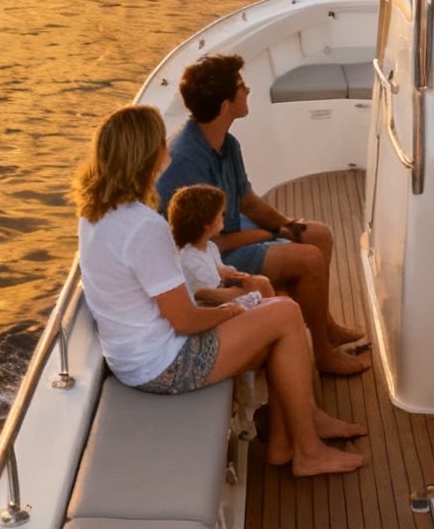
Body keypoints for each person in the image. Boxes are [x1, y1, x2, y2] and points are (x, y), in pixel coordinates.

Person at [74, 105, 365, 476]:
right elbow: (184, 320)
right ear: (148, 156)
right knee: (285, 312)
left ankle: (286, 438)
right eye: (160, 142)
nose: (167, 149)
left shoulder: (93, 213)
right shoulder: (145, 227)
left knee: (277, 312)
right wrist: (233, 311)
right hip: (164, 365)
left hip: (132, 357)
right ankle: (308, 450)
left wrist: (244, 310)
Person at [155, 53, 369, 375]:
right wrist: (271, 234)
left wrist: (285, 225)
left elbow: (248, 201)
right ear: (226, 103)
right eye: (242, 86)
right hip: (209, 254)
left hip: (228, 233)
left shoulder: (227, 143)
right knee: (308, 259)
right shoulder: (187, 160)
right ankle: (323, 354)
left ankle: (326, 327)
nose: (249, 90)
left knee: (318, 234)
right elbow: (212, 243)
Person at [168, 184, 272, 307]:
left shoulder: (210, 247)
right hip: (212, 309)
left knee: (262, 283)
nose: (224, 216)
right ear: (206, 223)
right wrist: (246, 290)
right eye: (221, 214)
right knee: (260, 286)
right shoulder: (190, 258)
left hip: (222, 297)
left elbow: (222, 271)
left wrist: (231, 275)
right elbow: (209, 295)